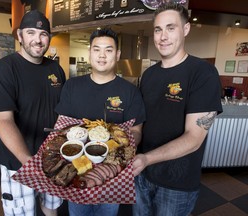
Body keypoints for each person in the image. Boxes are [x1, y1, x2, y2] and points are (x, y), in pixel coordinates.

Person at [132, 3, 223, 216]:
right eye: (158, 29)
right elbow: (141, 123)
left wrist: (146, 159)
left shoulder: (203, 73)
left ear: (186, 29)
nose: (163, 36)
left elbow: (194, 137)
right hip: (142, 174)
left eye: (170, 28)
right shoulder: (149, 75)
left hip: (176, 184)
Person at [0, 10, 66, 216]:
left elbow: (63, 112)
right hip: (18, 162)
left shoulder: (56, 69)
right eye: (31, 32)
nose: (38, 39)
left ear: (49, 37)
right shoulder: (5, 70)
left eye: (43, 34)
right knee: (22, 213)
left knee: (51, 207)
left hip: (52, 159)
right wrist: (29, 162)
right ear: (19, 36)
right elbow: (4, 121)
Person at [55, 28, 146, 216]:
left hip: (112, 175)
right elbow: (60, 127)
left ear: (118, 54)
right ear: (90, 53)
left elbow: (136, 131)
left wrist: (121, 148)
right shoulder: (72, 86)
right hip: (77, 172)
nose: (102, 55)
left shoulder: (130, 92)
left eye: (109, 50)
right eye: (96, 49)